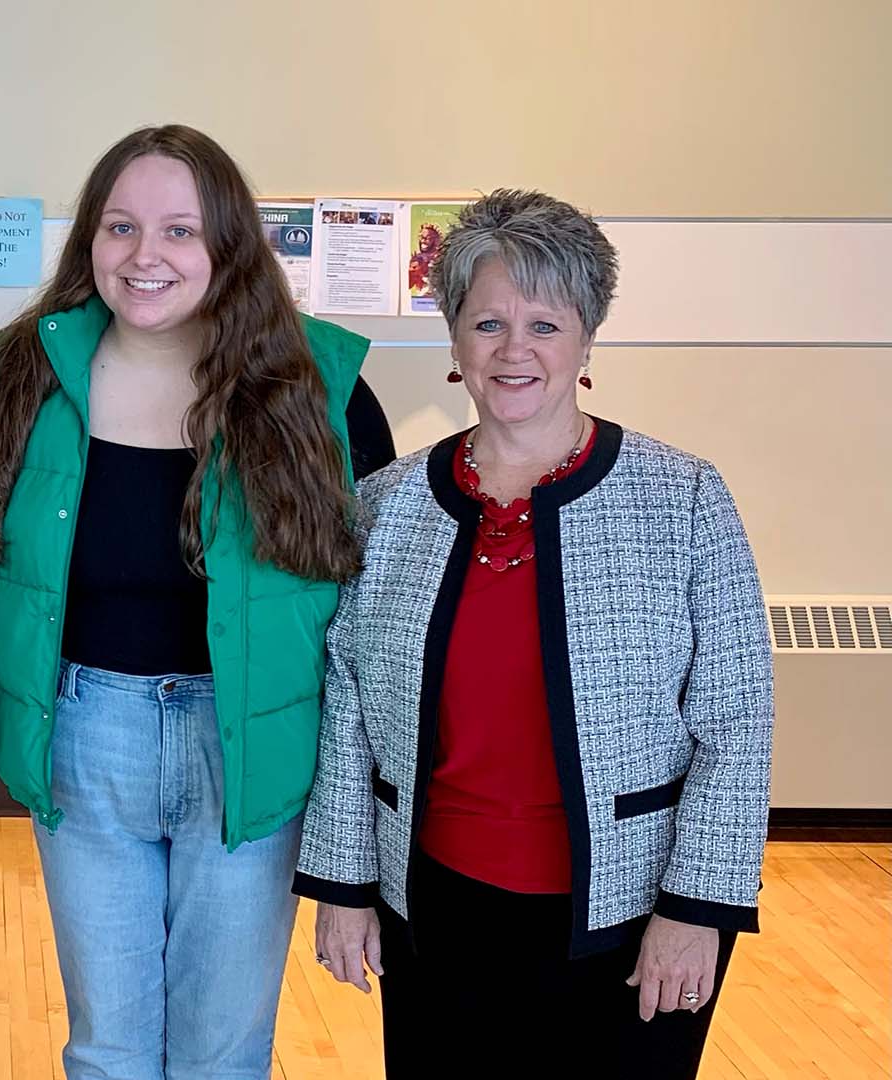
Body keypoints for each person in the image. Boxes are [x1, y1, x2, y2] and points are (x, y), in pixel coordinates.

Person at [294, 189, 772, 1077]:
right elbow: (347, 713)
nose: (515, 352)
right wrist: (344, 886)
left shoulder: (686, 499)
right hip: (436, 909)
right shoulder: (386, 507)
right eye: (487, 325)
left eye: (545, 325)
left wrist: (699, 907)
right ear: (455, 344)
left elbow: (736, 726)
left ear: (587, 339)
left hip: (632, 917)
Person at [0, 124, 392, 1080]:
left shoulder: (319, 387)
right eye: (120, 227)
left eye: (179, 231)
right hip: (84, 732)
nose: (145, 256)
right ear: (89, 243)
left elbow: (369, 604)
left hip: (251, 745)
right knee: (107, 1046)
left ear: (229, 243)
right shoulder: (29, 371)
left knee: (222, 1049)